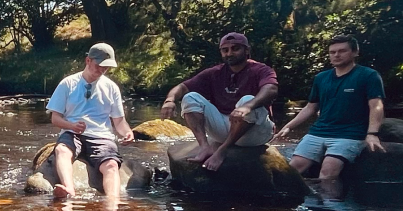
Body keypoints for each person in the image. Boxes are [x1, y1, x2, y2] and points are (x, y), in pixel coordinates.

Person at [274, 35, 387, 185]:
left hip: (349, 134)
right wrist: (288, 127)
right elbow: (311, 107)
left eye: (342, 51)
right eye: (332, 52)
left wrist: (372, 134)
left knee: (328, 172)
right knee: (293, 169)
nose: (336, 55)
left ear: (355, 52)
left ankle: (329, 207)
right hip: (319, 132)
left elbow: (376, 105)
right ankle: (289, 205)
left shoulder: (369, 76)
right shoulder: (321, 78)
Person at [159, 32, 280, 172]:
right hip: (225, 128)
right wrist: (169, 101)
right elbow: (182, 87)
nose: (230, 53)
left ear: (247, 50)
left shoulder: (261, 70)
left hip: (255, 133)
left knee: (248, 100)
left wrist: (248, 107)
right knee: (190, 97)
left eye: (235, 48)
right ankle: (205, 147)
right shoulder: (214, 72)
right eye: (225, 50)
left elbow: (271, 89)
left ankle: (222, 150)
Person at [45, 42, 137, 200]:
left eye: (106, 67)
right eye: (99, 65)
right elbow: (55, 118)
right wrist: (71, 125)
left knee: (112, 164)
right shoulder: (67, 84)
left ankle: (112, 202)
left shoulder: (111, 88)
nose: (103, 70)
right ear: (88, 61)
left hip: (102, 137)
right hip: (72, 133)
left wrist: (128, 132)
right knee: (62, 150)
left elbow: (119, 122)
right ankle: (69, 189)